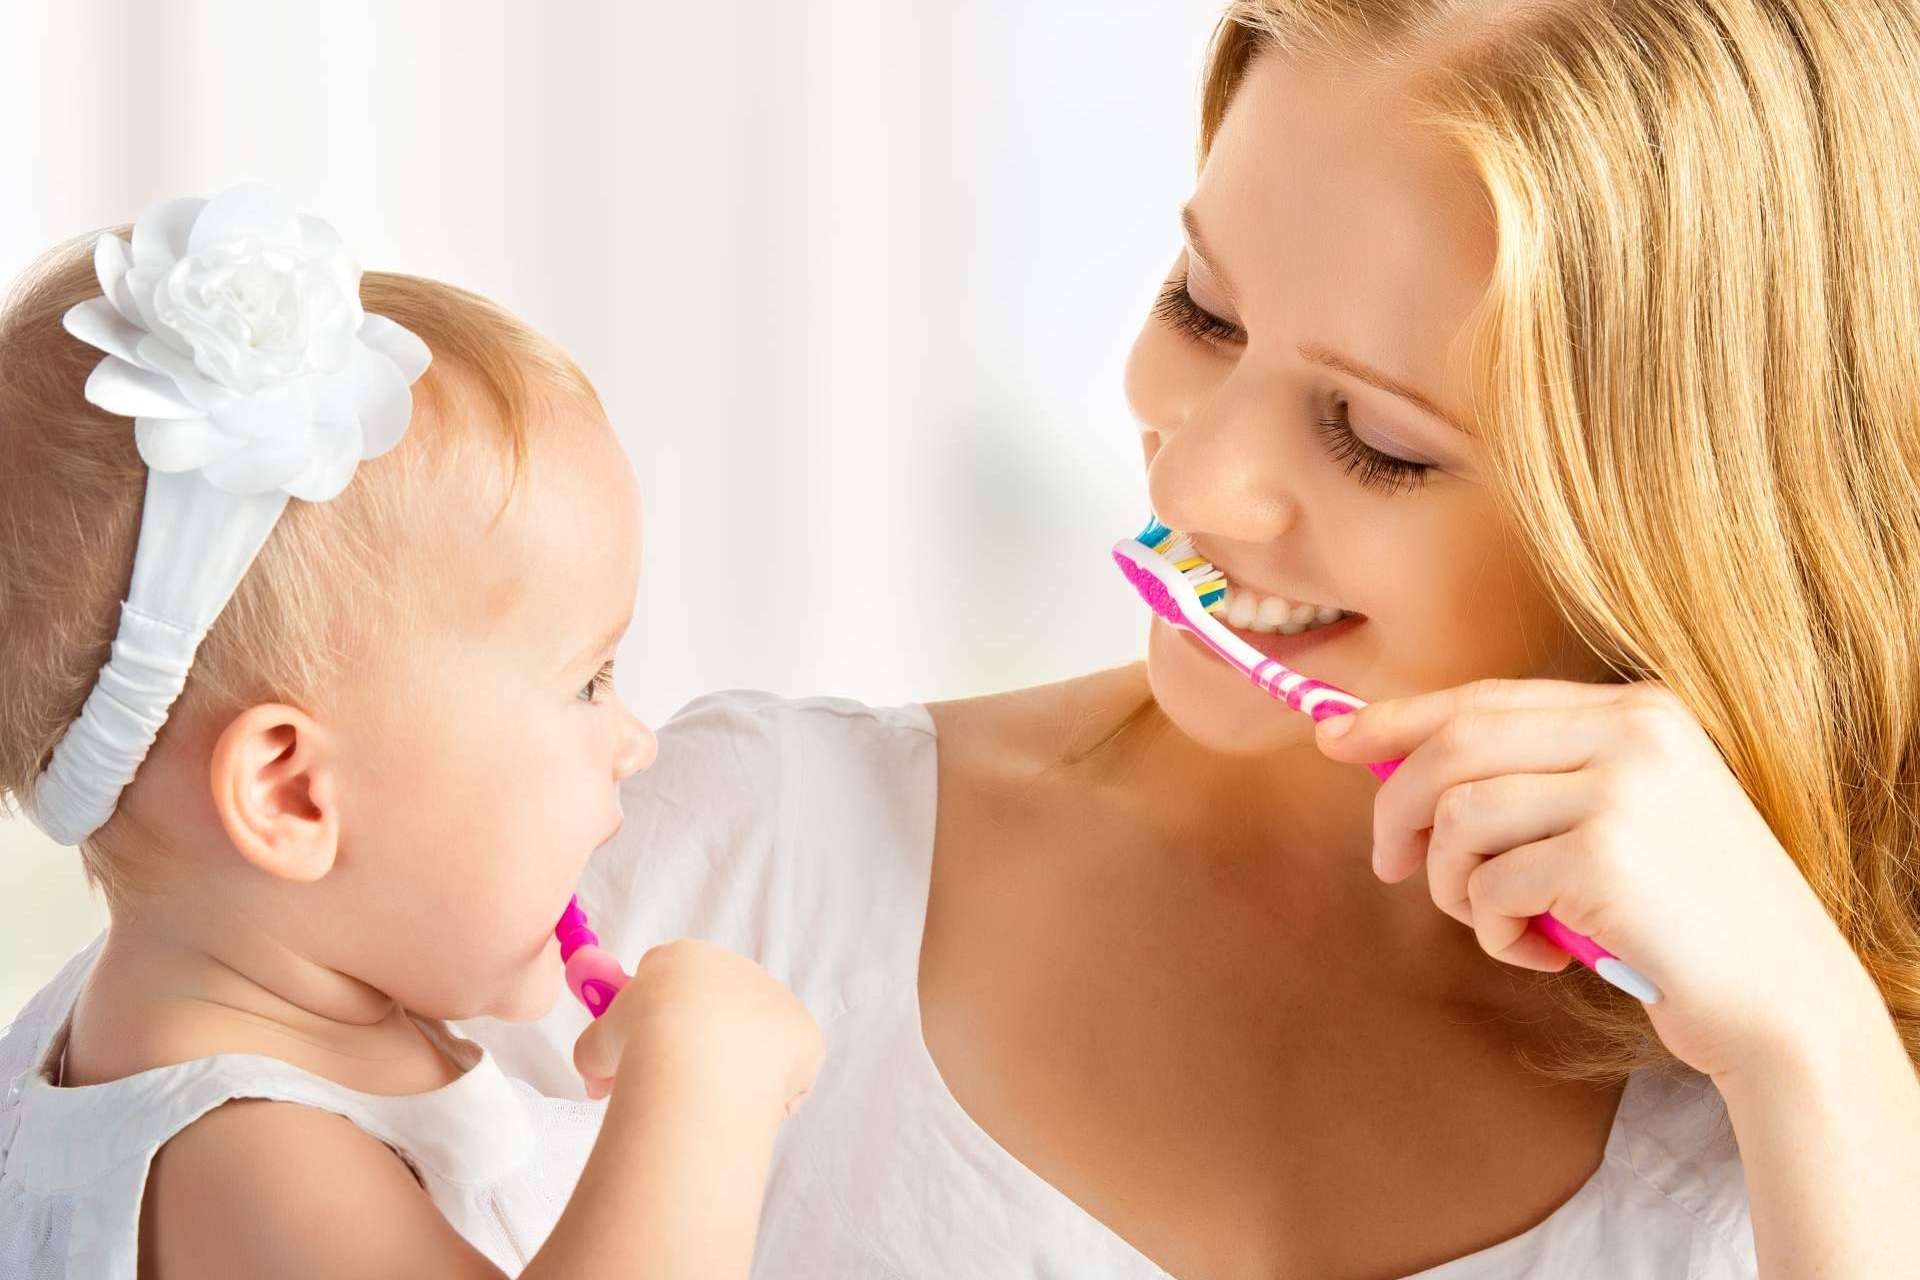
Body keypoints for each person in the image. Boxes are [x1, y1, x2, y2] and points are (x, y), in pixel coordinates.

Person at [459, 2, 1920, 1275]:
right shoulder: (726, 864)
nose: (1195, 480)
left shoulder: (1807, 1078)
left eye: (1378, 440)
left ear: (1694, 531)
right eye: (1204, 311)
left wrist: (1820, 1062)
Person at [0, 185, 823, 1279]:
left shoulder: (151, 1007)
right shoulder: (247, 1164)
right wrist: (700, 1088)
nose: (635, 741)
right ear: (292, 793)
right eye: (589, 681)